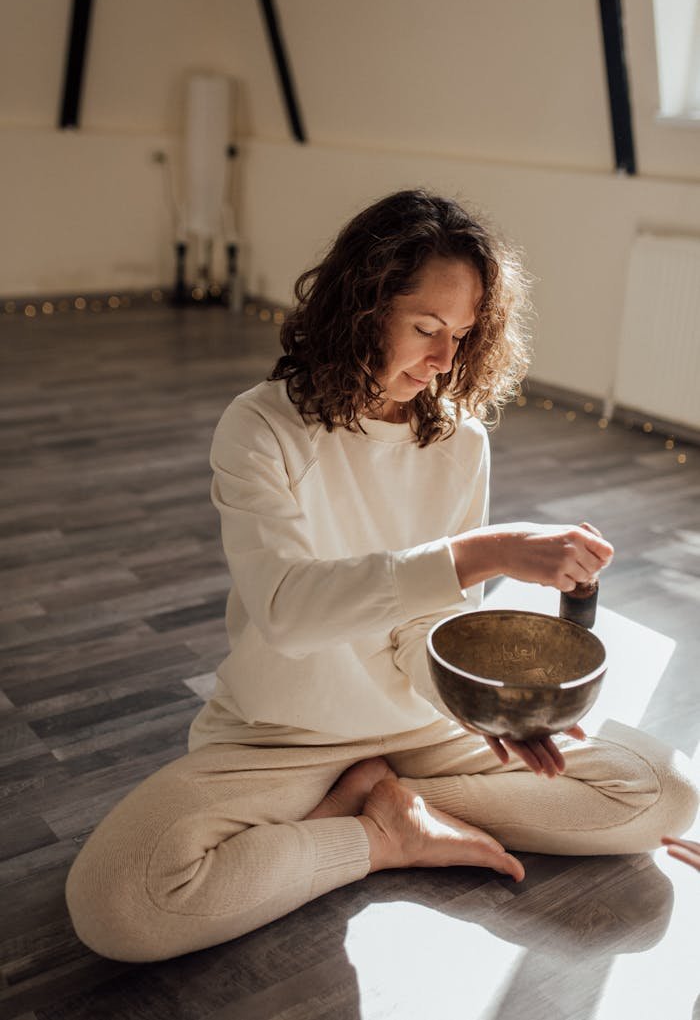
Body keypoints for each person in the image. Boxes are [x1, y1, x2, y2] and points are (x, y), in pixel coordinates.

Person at [66, 189, 698, 962]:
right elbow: (287, 611)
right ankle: (377, 834)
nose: (442, 361)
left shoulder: (460, 442)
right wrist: (483, 552)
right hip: (284, 738)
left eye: (461, 337)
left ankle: (392, 800)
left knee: (664, 791)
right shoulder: (260, 428)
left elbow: (416, 631)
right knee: (120, 901)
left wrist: (487, 706)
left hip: (421, 734)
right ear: (360, 309)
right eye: (426, 327)